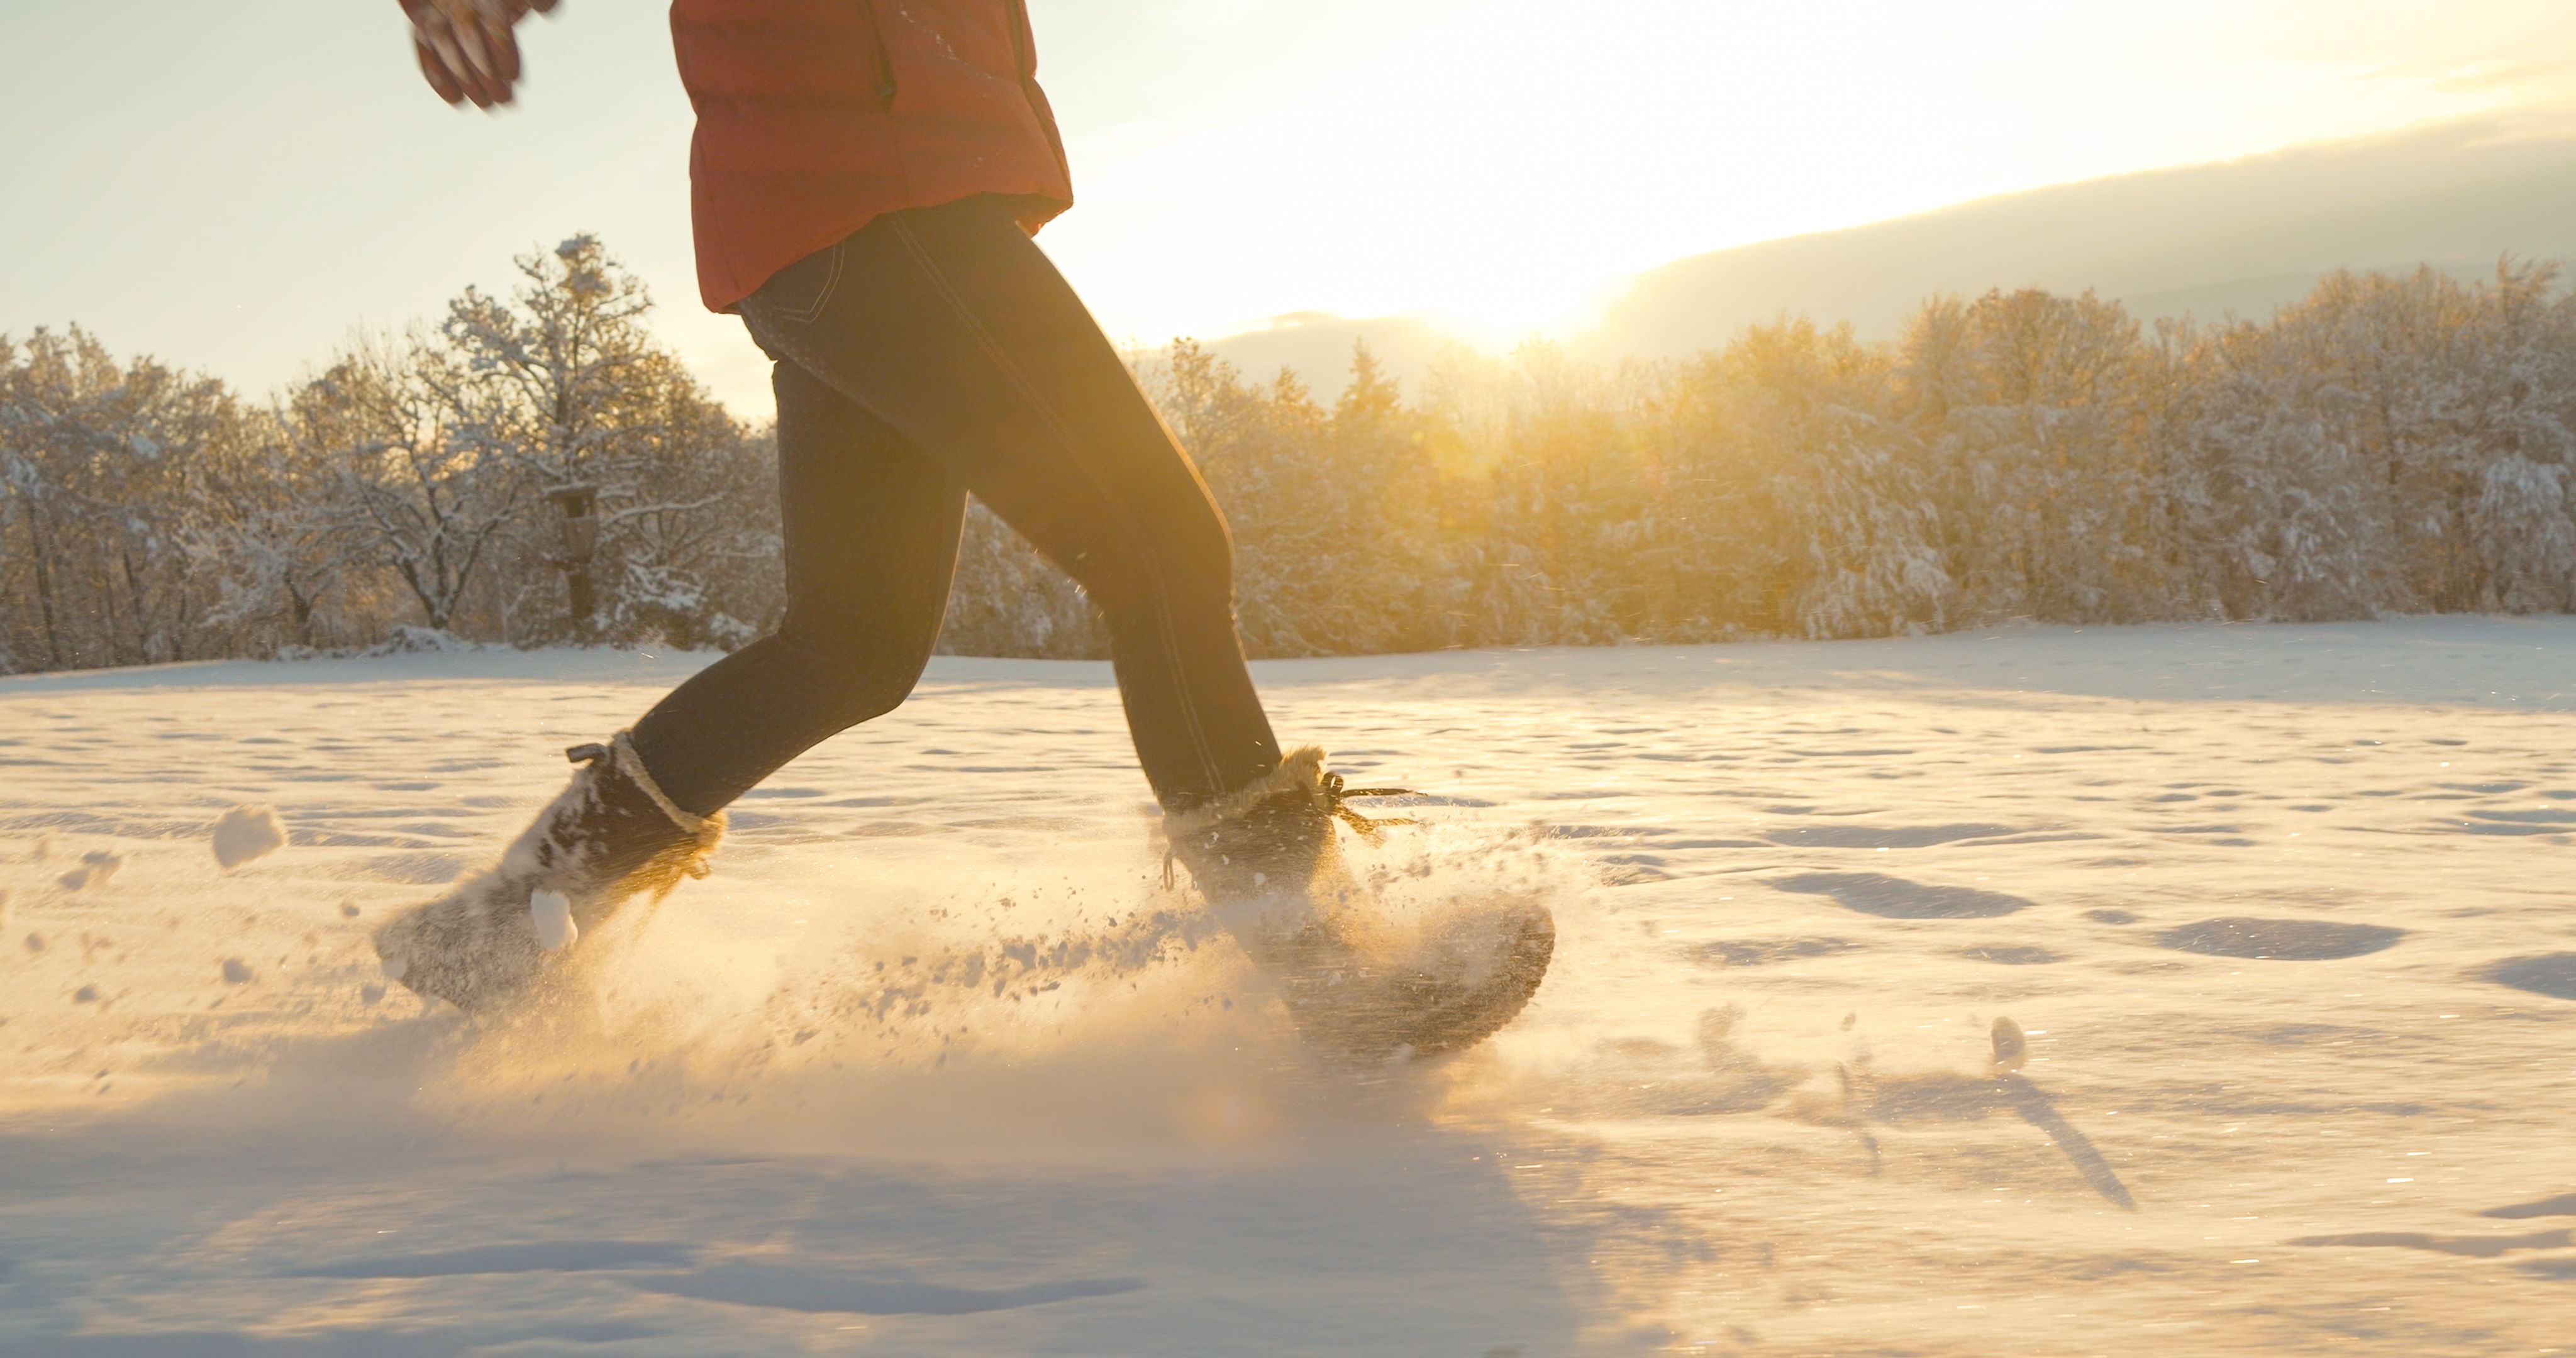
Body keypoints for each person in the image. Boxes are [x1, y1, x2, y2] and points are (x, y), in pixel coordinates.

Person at [372, 0, 1552, 1061]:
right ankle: (1323, 967)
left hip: (830, 212)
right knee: (1159, 550)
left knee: (851, 647)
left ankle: (504, 923)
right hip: (876, 187)